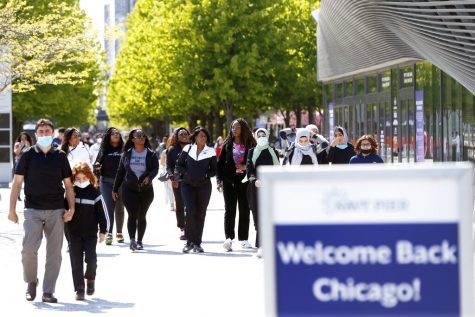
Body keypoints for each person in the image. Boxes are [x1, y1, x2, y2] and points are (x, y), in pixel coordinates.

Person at [8, 118, 75, 303]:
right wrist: (11, 209)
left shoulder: (60, 156)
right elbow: (16, 184)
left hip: (56, 210)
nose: (44, 134)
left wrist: (72, 209)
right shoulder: (27, 156)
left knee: (54, 253)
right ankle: (31, 282)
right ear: (36, 134)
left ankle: (48, 291)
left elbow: (69, 186)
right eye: (41, 131)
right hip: (32, 209)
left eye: (47, 131)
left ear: (52, 134)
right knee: (28, 250)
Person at [67, 162, 109, 300]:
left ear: (89, 177)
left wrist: (103, 230)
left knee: (91, 259)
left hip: (90, 234)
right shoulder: (70, 192)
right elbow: (63, 210)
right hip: (73, 233)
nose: (80, 182)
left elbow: (103, 214)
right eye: (78, 179)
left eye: (83, 179)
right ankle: (79, 289)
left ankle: (90, 278)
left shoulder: (94, 193)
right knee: (76, 261)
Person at [112, 129, 159, 251]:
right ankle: (132, 240)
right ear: (132, 139)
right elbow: (120, 172)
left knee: (142, 215)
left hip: (146, 189)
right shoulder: (126, 154)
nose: (141, 137)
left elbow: (155, 169)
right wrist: (115, 189)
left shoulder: (151, 154)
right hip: (129, 188)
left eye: (143, 135)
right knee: (132, 214)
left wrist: (149, 177)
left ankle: (140, 241)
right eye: (138, 136)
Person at [176, 127, 217, 253]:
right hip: (187, 185)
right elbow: (179, 165)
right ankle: (189, 242)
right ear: (195, 137)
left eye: (204, 136)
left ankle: (197, 243)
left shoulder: (211, 151)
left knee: (200, 213)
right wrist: (187, 174)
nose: (202, 138)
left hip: (204, 186)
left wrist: (205, 175)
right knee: (190, 211)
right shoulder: (187, 149)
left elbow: (214, 170)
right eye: (200, 136)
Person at [217, 118, 256, 251]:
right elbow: (220, 164)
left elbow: (255, 163)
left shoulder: (251, 144)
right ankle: (229, 238)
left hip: (245, 182)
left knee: (244, 209)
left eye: (237, 127)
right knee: (230, 209)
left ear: (243, 128)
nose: (234, 130)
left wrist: (245, 166)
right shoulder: (227, 144)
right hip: (229, 181)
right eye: (233, 127)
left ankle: (244, 239)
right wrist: (219, 180)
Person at [246, 128, 280, 258]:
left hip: (269, 187)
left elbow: (277, 169)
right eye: (259, 135)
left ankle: (262, 245)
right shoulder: (251, 152)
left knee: (267, 214)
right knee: (257, 215)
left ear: (267, 136)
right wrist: (254, 179)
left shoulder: (273, 151)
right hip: (255, 187)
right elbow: (249, 168)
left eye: (263, 135)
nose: (261, 137)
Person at [94, 127, 125, 245]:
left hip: (121, 183)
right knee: (108, 207)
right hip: (106, 182)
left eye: (117, 133)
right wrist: (97, 166)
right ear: (108, 136)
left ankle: (119, 232)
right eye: (112, 134)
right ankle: (109, 232)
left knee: (120, 208)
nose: (115, 135)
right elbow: (97, 163)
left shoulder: (124, 149)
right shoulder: (104, 149)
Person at [166, 127, 190, 240]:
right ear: (177, 136)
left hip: (192, 181)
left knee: (191, 206)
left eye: (186, 134)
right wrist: (173, 178)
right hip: (178, 182)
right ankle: (182, 228)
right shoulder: (172, 150)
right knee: (180, 206)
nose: (184, 136)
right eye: (181, 134)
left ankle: (191, 228)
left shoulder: (193, 148)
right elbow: (169, 166)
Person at [13, 132, 33, 200]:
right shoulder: (17, 144)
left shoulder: (29, 145)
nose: (24, 139)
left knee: (28, 181)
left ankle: (27, 196)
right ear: (20, 138)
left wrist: (28, 146)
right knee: (18, 181)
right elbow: (16, 153)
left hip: (28, 164)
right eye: (22, 138)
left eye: (25, 138)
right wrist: (21, 145)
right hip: (19, 163)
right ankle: (17, 195)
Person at [159, 139, 175, 211]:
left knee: (169, 189)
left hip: (167, 172)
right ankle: (177, 203)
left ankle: (172, 204)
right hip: (176, 171)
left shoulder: (165, 151)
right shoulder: (178, 150)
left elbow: (162, 163)